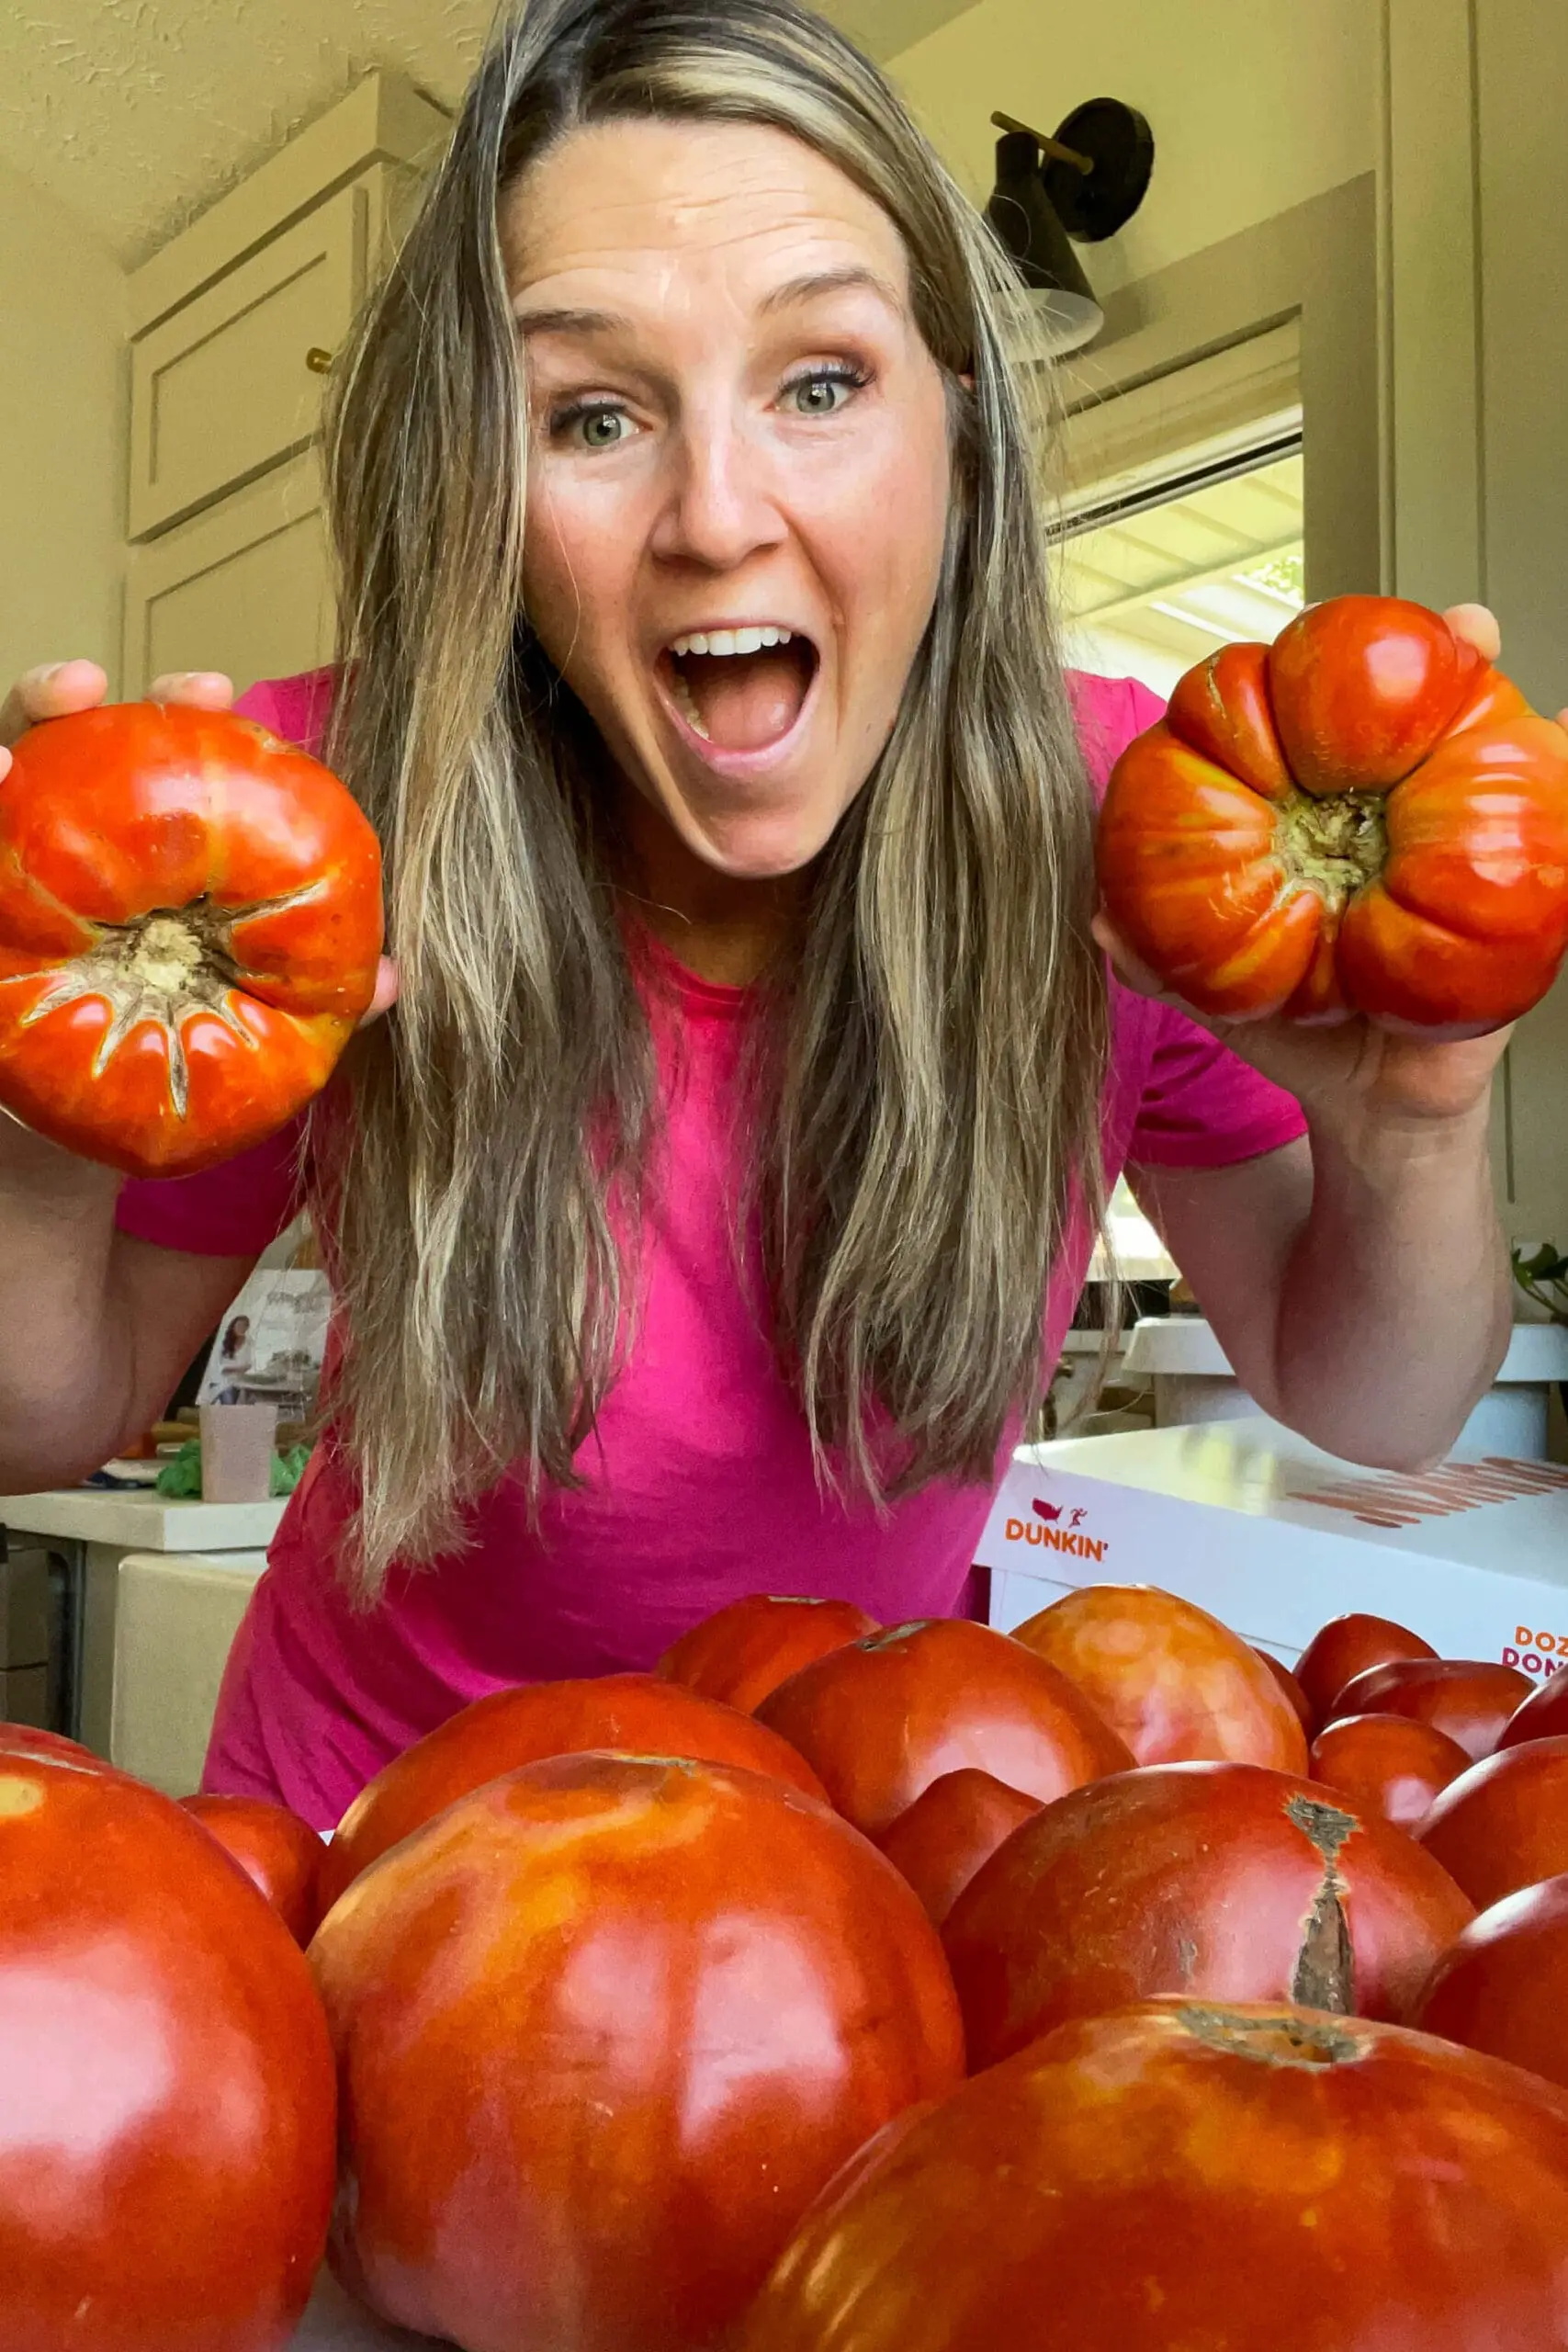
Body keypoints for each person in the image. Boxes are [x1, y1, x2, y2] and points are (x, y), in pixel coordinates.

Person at [0, 0, 1521, 1828]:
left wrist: (1414, 1122)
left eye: (819, 381)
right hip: (377, 1843)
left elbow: (1373, 1399)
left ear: (955, 432)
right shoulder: (321, 828)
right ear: (482, 489)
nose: (718, 516)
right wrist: (36, 1128)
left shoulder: (1125, 832)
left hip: (846, 1861)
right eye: (589, 411)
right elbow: (49, 1418)